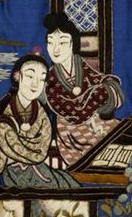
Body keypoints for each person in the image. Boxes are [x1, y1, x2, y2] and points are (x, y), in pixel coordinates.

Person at [0, 54, 75, 189]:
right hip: (10, 171)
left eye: (42, 79)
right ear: (17, 76)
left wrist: (13, 149)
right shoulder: (2, 108)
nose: (35, 84)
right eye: (30, 76)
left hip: (36, 167)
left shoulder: (42, 115)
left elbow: (41, 150)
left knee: (65, 184)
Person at [43, 12, 124, 165]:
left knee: (121, 134)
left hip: (95, 121)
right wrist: (100, 93)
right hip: (71, 132)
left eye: (62, 42)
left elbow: (99, 79)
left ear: (73, 44)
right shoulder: (51, 77)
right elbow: (73, 111)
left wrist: (106, 88)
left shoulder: (79, 63)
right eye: (50, 42)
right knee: (97, 152)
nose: (55, 49)